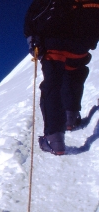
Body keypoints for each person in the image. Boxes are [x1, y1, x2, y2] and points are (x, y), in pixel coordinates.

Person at [24, 0, 99, 155]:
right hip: (82, 42)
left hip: (52, 43)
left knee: (53, 84)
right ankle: (70, 119)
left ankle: (54, 140)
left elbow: (33, 14)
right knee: (74, 76)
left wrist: (32, 39)